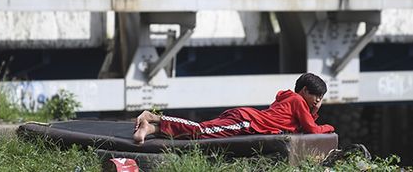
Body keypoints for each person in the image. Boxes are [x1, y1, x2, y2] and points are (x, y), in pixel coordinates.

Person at [132, 73, 336, 144]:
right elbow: (312, 129)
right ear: (304, 91)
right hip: (246, 121)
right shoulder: (298, 102)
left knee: (201, 132)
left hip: (245, 120)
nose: (318, 101)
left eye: (321, 98)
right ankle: (152, 117)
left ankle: (151, 129)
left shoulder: (291, 100)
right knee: (200, 131)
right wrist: (329, 127)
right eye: (316, 96)